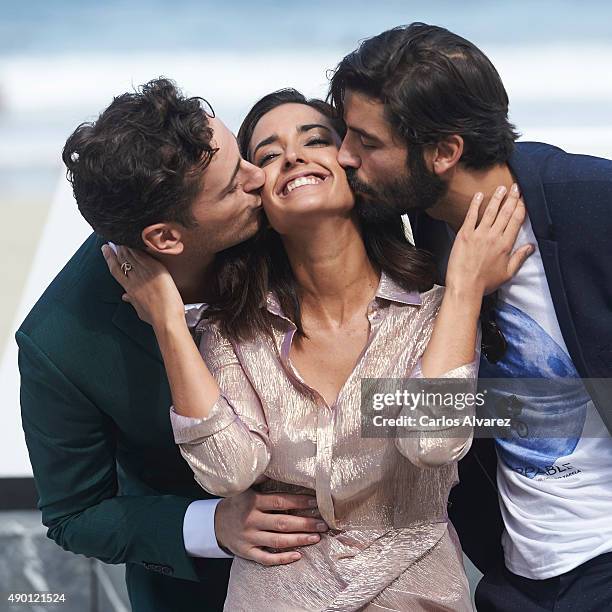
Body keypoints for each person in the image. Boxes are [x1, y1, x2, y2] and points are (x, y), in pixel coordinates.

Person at [103, 88, 531, 611]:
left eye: (317, 140)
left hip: (416, 595)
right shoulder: (233, 328)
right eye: (267, 154)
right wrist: (169, 323)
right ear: (258, 199)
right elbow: (229, 471)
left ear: (352, 167)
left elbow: (434, 441)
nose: (293, 156)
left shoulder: (440, 310)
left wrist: (464, 289)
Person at [15, 78, 332, 612]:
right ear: (166, 239)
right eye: (235, 184)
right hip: (202, 595)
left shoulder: (287, 218)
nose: (262, 176)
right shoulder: (59, 344)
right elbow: (74, 516)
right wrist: (213, 524)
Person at [328, 22, 612, 611]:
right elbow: (434, 419)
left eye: (366, 142)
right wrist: (462, 290)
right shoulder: (426, 228)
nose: (343, 157)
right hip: (515, 579)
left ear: (444, 152)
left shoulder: (593, 204)